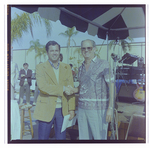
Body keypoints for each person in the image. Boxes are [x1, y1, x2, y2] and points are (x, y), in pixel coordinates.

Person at [66, 39, 114, 140]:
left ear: (94, 49)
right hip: (82, 109)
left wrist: (110, 108)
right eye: (83, 48)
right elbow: (82, 86)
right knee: (84, 138)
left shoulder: (104, 64)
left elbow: (112, 86)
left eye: (89, 48)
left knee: (99, 138)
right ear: (81, 50)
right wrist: (73, 90)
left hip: (99, 110)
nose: (86, 50)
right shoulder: (80, 68)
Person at [33, 41, 75, 140]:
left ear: (59, 52)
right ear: (47, 53)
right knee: (43, 139)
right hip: (45, 109)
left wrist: (71, 109)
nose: (54, 53)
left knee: (61, 139)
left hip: (62, 110)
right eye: (51, 51)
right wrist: (63, 89)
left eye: (56, 50)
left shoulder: (66, 67)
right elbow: (43, 87)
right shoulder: (40, 67)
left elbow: (71, 89)